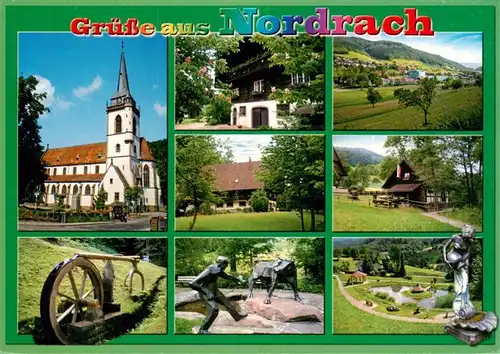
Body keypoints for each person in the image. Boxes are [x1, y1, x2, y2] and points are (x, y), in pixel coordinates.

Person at [189, 256, 247, 334]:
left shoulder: (219, 270)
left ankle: (237, 317)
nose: (226, 266)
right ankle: (202, 330)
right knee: (214, 309)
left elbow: (227, 276)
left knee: (227, 303)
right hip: (205, 290)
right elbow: (192, 283)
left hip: (214, 288)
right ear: (221, 263)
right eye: (226, 264)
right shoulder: (210, 269)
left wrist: (238, 279)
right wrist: (207, 293)